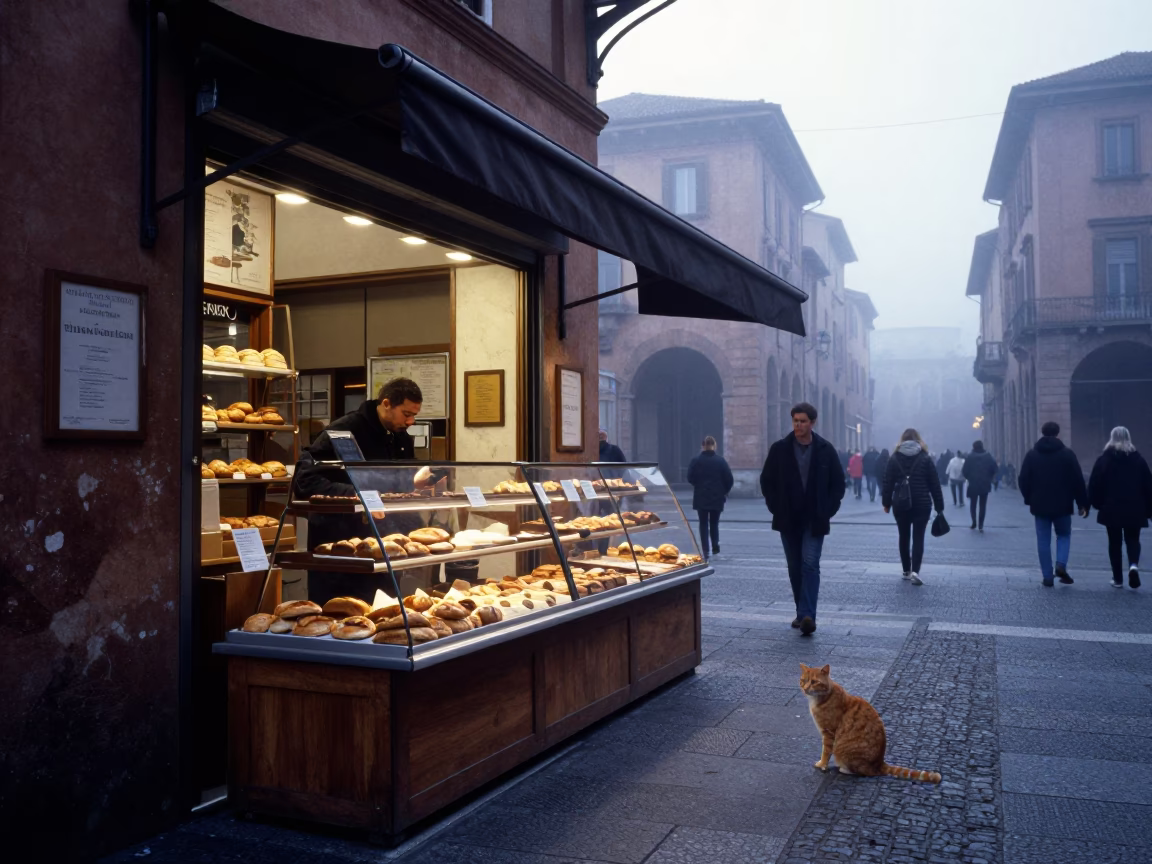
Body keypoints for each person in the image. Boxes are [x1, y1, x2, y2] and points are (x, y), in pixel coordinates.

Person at [295, 377, 426, 604]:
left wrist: (417, 484)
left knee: (382, 617)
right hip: (339, 549)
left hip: (383, 546)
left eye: (414, 415)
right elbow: (305, 481)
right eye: (406, 414)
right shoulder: (342, 431)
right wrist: (351, 495)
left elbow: (392, 482)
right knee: (340, 618)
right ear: (386, 404)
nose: (411, 421)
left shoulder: (400, 437)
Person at [760, 402, 846, 636]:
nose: (798, 425)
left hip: (814, 519)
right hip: (788, 518)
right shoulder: (780, 449)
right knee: (795, 567)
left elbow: (838, 484)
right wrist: (775, 506)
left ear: (812, 423)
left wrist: (828, 509)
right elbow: (766, 481)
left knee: (810, 564)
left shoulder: (825, 450)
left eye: (802, 421)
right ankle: (801, 612)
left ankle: (808, 615)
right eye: (795, 421)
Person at [1018, 421, 1089, 587]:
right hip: (1063, 504)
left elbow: (1023, 480)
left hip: (1040, 505)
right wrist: (1082, 503)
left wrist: (1029, 498)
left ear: (1042, 433)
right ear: (1058, 434)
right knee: (1063, 535)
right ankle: (1061, 565)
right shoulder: (1067, 454)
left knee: (1043, 540)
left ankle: (1047, 577)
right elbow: (1078, 480)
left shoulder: (1032, 455)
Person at [1088, 426, 1152, 589]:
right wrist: (1149, 508)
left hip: (1111, 507)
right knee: (1133, 539)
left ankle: (1117, 579)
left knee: (1114, 542)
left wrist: (1095, 503)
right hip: (1135, 507)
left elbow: (1095, 484)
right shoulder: (1139, 460)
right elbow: (1148, 486)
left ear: (1111, 438)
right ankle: (1133, 566)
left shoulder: (1104, 460)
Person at [882, 428, 945, 586]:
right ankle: (916, 571)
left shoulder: (894, 458)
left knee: (904, 536)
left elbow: (887, 482)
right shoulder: (925, 458)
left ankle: (906, 570)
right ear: (918, 440)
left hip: (900, 503)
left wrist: (886, 502)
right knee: (919, 537)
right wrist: (939, 505)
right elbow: (934, 483)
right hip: (922, 504)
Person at [687, 436, 734, 561]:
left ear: (702, 446)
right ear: (715, 445)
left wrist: (698, 485)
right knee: (714, 523)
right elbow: (729, 479)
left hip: (701, 496)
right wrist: (724, 491)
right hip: (717, 497)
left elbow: (690, 477)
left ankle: (705, 551)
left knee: (703, 524)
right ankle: (715, 548)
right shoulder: (721, 461)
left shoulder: (696, 460)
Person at [962, 441, 998, 531]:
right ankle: (981, 524)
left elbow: (964, 471)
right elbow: (995, 468)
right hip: (985, 484)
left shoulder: (970, 457)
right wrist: (989, 477)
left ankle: (974, 521)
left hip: (973, 483)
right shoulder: (988, 456)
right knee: (983, 505)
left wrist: (969, 478)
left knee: (973, 504)